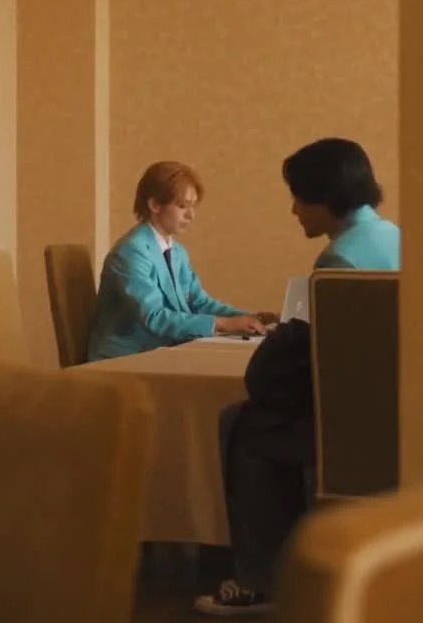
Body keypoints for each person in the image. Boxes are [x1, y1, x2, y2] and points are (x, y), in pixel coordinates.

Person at [195, 137, 401, 616]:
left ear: (323, 196)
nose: (292, 210)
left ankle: (261, 580)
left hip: (353, 431)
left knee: (243, 423)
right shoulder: (396, 237)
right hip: (399, 413)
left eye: (297, 197)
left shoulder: (339, 260)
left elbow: (315, 368)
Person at [85, 161, 275, 362]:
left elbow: (199, 302)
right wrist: (225, 324)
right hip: (124, 357)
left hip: (160, 351)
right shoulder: (131, 252)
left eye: (193, 206)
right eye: (182, 206)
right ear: (154, 205)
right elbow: (155, 317)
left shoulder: (177, 252)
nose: (190, 215)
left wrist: (250, 318)